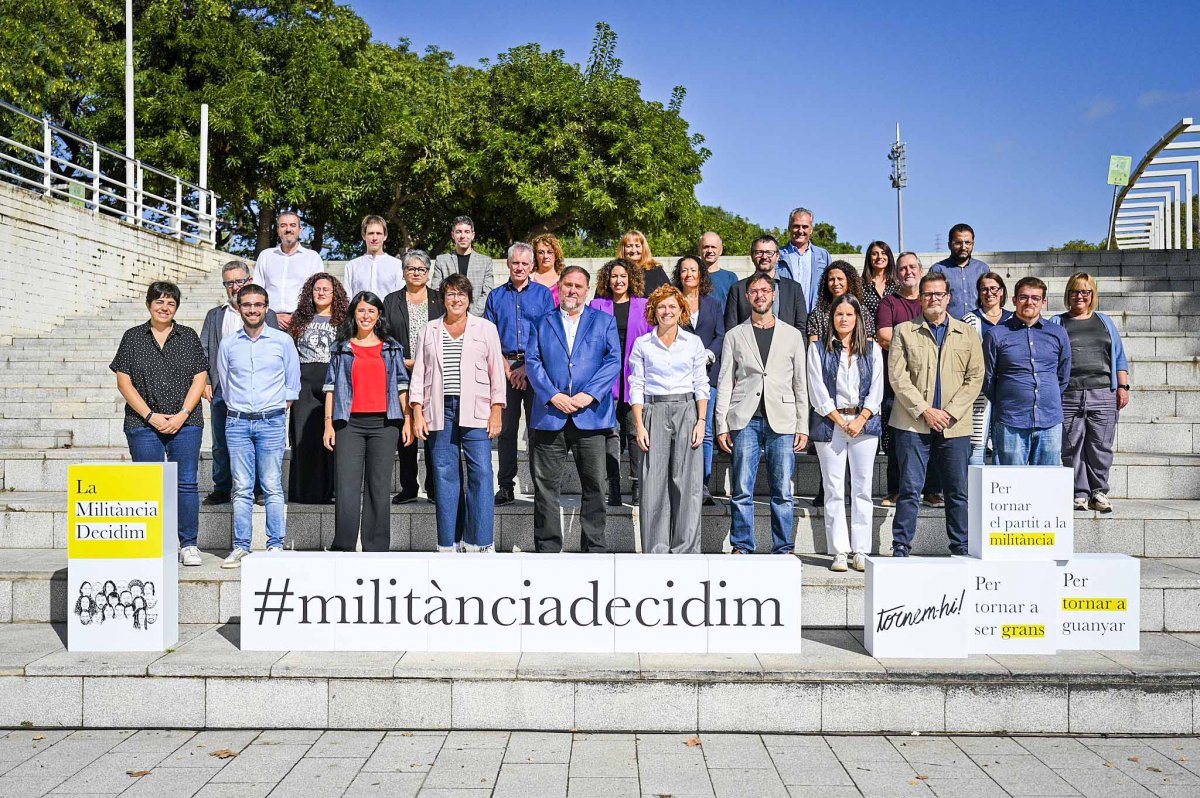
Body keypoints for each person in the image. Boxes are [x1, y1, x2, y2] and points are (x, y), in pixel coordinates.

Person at [111, 281, 209, 567]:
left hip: (186, 422)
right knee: (148, 484)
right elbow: (123, 380)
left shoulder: (187, 336)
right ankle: (151, 540)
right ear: (149, 304)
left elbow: (200, 376)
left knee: (186, 484)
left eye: (171, 303)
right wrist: (150, 416)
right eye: (159, 302)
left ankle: (188, 544)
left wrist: (182, 413)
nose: (165, 308)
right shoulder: (133, 337)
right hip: (143, 423)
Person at [526, 266, 622, 553]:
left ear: (587, 290)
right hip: (550, 415)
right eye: (568, 285)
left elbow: (613, 361)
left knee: (594, 485)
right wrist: (552, 394)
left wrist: (588, 395)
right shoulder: (542, 322)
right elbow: (532, 361)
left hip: (590, 417)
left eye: (579, 286)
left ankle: (593, 547)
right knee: (545, 488)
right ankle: (548, 546)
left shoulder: (603, 322)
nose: (572, 291)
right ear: (560, 286)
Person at [887, 272, 983, 557]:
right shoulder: (904, 330)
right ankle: (901, 546)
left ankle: (960, 547)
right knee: (909, 489)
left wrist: (949, 413)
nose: (933, 299)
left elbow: (975, 377)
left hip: (955, 426)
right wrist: (926, 411)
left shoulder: (967, 333)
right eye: (927, 294)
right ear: (920, 298)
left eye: (938, 294)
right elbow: (897, 376)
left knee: (956, 491)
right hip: (913, 424)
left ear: (948, 298)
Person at [715, 273, 810, 555]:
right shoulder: (735, 335)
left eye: (765, 290)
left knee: (782, 489)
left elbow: (800, 383)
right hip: (745, 420)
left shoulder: (792, 335)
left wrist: (802, 425)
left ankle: (783, 546)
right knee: (742, 488)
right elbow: (725, 382)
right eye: (754, 291)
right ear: (747, 297)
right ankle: (742, 544)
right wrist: (721, 424)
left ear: (774, 295)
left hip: (782, 420)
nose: (760, 295)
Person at [411, 274, 507, 551]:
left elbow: (496, 373)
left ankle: (479, 541)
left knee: (482, 473)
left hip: (476, 409)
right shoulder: (428, 330)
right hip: (440, 410)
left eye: (461, 294)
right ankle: (449, 543)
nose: (456, 299)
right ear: (442, 298)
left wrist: (497, 410)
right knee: (444, 474)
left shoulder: (485, 328)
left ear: (469, 298)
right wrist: (417, 412)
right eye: (451, 294)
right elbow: (419, 374)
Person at [216, 283, 301, 567]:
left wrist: (274, 409)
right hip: (237, 423)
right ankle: (241, 546)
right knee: (241, 488)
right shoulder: (228, 343)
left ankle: (275, 544)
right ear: (239, 307)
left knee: (273, 487)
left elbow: (293, 383)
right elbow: (225, 384)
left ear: (266, 308)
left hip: (271, 422)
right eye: (247, 305)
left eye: (258, 305)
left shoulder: (282, 341)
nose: (252, 310)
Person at [322, 291, 413, 551]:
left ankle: (376, 547)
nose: (366, 315)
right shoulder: (342, 348)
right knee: (347, 487)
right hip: (349, 424)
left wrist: (407, 419)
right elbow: (330, 388)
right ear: (354, 313)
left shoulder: (391, 347)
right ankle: (344, 546)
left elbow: (402, 386)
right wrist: (329, 424)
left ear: (378, 315)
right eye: (361, 310)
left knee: (379, 487)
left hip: (385, 426)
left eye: (371, 311)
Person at [629, 285, 709, 553]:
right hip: (654, 411)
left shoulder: (693, 343)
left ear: (681, 310)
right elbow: (636, 385)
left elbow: (701, 382)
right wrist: (639, 425)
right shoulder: (642, 344)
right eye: (661, 306)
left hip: (687, 410)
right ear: (654, 310)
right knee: (654, 483)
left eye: (672, 306)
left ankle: (686, 548)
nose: (667, 311)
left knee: (687, 482)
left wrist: (701, 420)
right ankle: (656, 549)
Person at [807, 295, 883, 572]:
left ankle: (861, 550)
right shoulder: (817, 349)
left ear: (857, 318)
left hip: (865, 424)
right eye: (839, 314)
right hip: (830, 424)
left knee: (862, 489)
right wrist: (840, 419)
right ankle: (840, 551)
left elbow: (877, 389)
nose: (843, 319)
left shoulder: (872, 350)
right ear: (832, 318)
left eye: (849, 314)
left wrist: (861, 418)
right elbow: (817, 390)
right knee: (834, 489)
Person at [1048, 272, 1129, 512]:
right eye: (1075, 291)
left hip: (1103, 392)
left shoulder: (1104, 321)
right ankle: (1078, 492)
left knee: (1100, 445)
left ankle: (1098, 492)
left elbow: (1119, 357)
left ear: (1092, 295)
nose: (1080, 296)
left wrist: (1122, 387)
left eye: (1085, 292)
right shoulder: (1056, 322)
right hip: (1069, 393)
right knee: (1071, 445)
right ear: (1068, 295)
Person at [200, 261, 278, 506]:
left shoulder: (268, 314)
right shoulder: (215, 315)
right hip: (223, 390)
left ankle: (259, 490)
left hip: (258, 392)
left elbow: (274, 351)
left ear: (250, 280)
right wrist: (205, 380)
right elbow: (203, 349)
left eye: (239, 281)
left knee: (258, 441)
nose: (235, 287)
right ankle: (222, 487)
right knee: (220, 442)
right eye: (229, 283)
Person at [484, 242, 556, 506]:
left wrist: (527, 367)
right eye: (516, 263)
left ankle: (540, 487)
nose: (520, 268)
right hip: (504, 369)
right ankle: (505, 486)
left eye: (525, 264)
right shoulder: (495, 297)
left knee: (537, 430)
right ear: (508, 264)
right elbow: (489, 336)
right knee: (506, 430)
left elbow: (549, 334)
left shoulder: (544, 295)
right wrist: (506, 367)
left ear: (532, 266)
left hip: (535, 369)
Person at [876, 252, 941, 507]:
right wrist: (917, 350)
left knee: (935, 437)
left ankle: (932, 490)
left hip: (932, 379)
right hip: (899, 381)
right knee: (897, 439)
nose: (908, 272)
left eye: (912, 267)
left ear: (921, 270)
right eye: (902, 268)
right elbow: (884, 336)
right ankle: (896, 489)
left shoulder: (931, 300)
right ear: (896, 273)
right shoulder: (889, 303)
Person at [984, 276, 1071, 466]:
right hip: (1011, 420)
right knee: (1010, 484)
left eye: (1035, 298)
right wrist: (1010, 401)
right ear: (1014, 300)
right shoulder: (996, 334)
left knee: (1046, 483)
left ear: (1044, 302)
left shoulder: (1058, 333)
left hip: (1050, 420)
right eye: (1023, 297)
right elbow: (988, 379)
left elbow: (1063, 376)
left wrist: (1049, 395)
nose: (1029, 302)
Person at [589, 259, 653, 506]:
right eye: (614, 276)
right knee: (610, 433)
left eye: (623, 276)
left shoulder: (643, 305)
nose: (618, 281)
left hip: (634, 377)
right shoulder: (597, 305)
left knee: (636, 431)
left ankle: (637, 484)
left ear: (631, 279)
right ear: (607, 279)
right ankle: (613, 486)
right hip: (606, 379)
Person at [383, 250, 444, 504]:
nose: (416, 273)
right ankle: (409, 486)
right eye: (411, 268)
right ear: (404, 272)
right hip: (402, 369)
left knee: (431, 427)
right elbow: (384, 334)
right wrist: (402, 359)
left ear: (428, 273)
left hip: (434, 371)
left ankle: (433, 487)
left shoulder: (439, 299)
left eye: (421, 269)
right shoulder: (391, 300)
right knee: (405, 427)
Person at [287, 273, 347, 504]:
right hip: (304, 383)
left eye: (326, 289)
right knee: (304, 436)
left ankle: (331, 490)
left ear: (335, 294)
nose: (321, 293)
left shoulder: (343, 320)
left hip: (333, 382)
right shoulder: (299, 320)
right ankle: (305, 492)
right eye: (316, 289)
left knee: (333, 436)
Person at [674, 255, 726, 505]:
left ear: (701, 274)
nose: (689, 274)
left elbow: (720, 334)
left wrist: (709, 353)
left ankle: (702, 484)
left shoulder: (713, 304)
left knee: (705, 432)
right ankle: (681, 481)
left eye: (693, 270)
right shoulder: (671, 302)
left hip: (708, 374)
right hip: (679, 376)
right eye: (684, 270)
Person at [961, 272, 1014, 465]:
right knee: (977, 444)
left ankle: (1002, 493)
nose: (989, 292)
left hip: (1008, 390)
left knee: (1005, 444)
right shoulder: (969, 320)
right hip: (979, 391)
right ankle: (974, 493)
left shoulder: (1013, 319)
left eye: (994, 288)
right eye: (984, 289)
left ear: (1001, 292)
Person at [252, 210, 324, 330]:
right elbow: (257, 291)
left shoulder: (312, 258)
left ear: (300, 230)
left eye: (293, 225)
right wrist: (271, 316)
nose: (288, 229)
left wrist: (297, 317)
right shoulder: (266, 256)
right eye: (283, 225)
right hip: (269, 322)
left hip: (302, 322)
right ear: (278, 230)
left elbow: (318, 293)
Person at [725, 235, 808, 331]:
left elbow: (801, 328)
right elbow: (731, 328)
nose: (764, 257)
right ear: (752, 256)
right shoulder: (738, 289)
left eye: (769, 253)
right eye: (759, 252)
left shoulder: (794, 289)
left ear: (777, 257)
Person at [430, 215, 493, 316]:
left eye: (467, 232)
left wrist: (470, 315)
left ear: (473, 235)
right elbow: (436, 290)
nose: (462, 236)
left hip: (476, 318)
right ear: (452, 235)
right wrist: (451, 312)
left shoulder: (485, 262)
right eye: (458, 232)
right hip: (448, 316)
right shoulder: (442, 260)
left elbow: (487, 292)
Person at [930, 223, 990, 319]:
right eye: (958, 243)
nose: (963, 247)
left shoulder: (982, 269)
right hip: (949, 327)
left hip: (978, 326)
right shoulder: (938, 270)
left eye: (967, 243)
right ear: (949, 245)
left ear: (973, 244)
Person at [806, 260, 876, 341]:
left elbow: (869, 343)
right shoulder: (818, 313)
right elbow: (813, 346)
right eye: (831, 279)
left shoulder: (861, 311)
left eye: (840, 279)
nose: (836, 283)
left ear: (849, 281)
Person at [778, 207, 830, 312]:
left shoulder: (823, 255)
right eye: (796, 226)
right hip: (786, 316)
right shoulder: (778, 255)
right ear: (789, 228)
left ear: (811, 230)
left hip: (814, 316)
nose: (800, 231)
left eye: (805, 227)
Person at [343, 215, 405, 299]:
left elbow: (400, 298)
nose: (375, 238)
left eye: (379, 233)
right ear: (364, 236)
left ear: (385, 236)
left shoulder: (397, 265)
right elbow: (347, 299)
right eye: (371, 233)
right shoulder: (351, 266)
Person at [618, 229, 669, 294]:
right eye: (629, 246)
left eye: (637, 246)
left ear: (643, 248)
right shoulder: (617, 270)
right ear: (623, 249)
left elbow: (669, 295)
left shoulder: (656, 271)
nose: (633, 250)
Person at [699, 231, 739, 306]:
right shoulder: (692, 277)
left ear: (720, 250)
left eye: (713, 247)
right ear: (699, 249)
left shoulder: (730, 278)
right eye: (706, 247)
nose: (709, 251)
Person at [861, 241, 896, 326]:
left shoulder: (897, 286)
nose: (880, 257)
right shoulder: (860, 285)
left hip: (893, 336)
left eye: (883, 253)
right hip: (868, 337)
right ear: (869, 258)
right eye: (875, 254)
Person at [530, 232, 565, 305]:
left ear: (556, 255)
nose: (545, 256)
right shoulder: (529, 279)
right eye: (541, 252)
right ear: (535, 255)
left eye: (550, 252)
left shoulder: (563, 279)